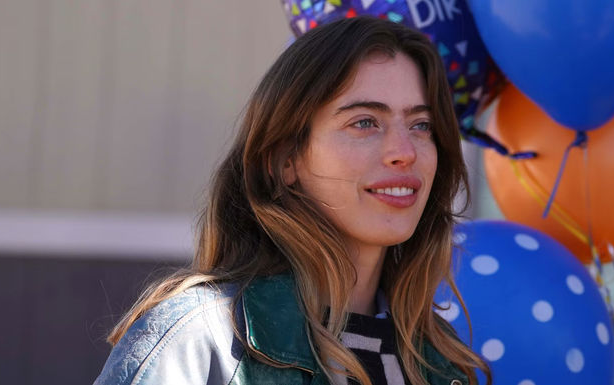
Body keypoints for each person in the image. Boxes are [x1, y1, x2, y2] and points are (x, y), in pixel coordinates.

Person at [94, 16, 491, 385]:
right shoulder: (200, 340)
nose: (404, 151)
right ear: (285, 160)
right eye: (365, 122)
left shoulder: (444, 365)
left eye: (421, 125)